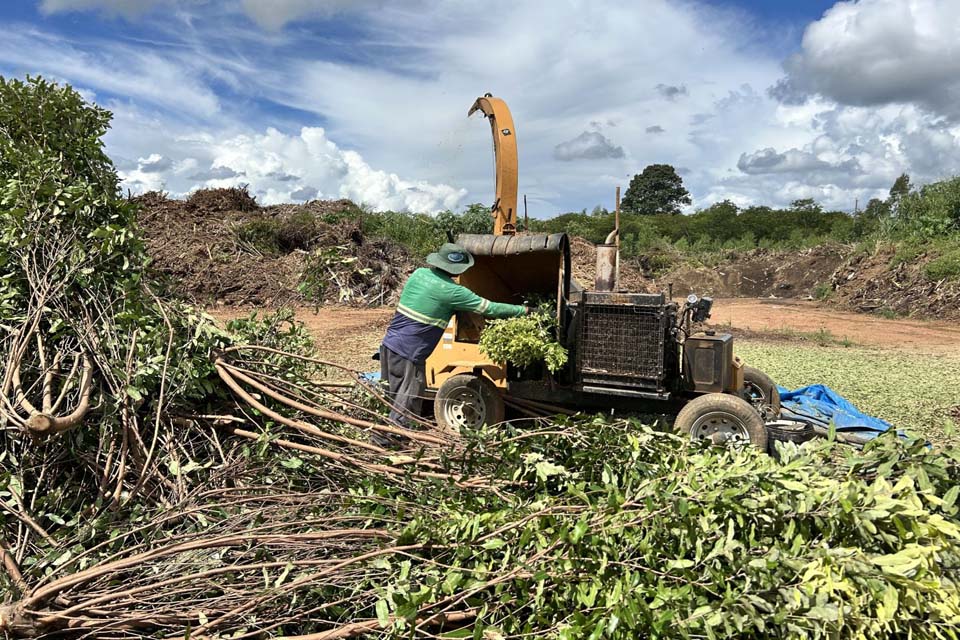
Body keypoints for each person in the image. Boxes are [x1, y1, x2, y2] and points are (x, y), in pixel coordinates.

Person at [376, 243, 526, 445]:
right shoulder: (454, 292)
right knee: (406, 403)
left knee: (392, 399)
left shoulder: (418, 274)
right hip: (410, 355)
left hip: (389, 346)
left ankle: (383, 439)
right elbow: (490, 308)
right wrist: (524, 311)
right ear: (460, 269)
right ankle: (388, 447)